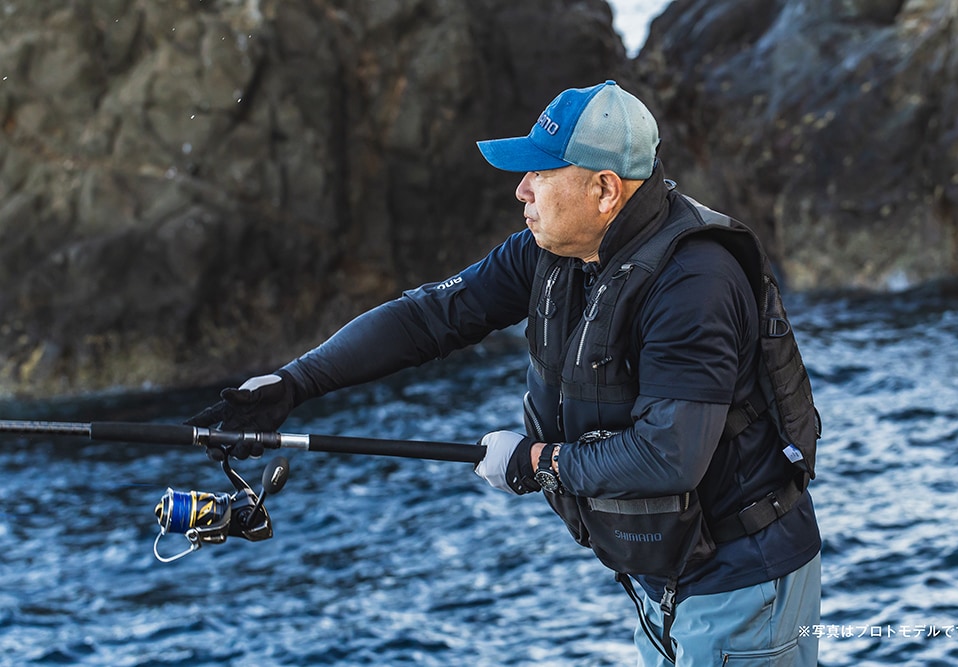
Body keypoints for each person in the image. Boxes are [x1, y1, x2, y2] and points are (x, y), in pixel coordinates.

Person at [187, 80, 822, 666]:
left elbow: (668, 458)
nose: (521, 189)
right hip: (667, 580)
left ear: (604, 191)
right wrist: (296, 383)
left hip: (745, 586)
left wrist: (535, 461)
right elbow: (430, 317)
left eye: (541, 173)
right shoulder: (553, 252)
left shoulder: (694, 282)